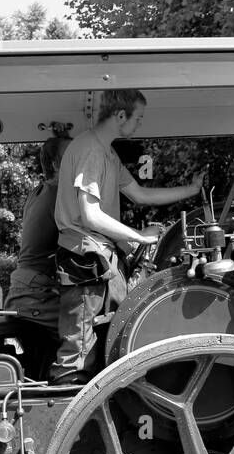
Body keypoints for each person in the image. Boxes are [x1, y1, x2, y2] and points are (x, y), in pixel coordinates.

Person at [51, 88, 203, 385]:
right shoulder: (91, 150)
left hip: (99, 257)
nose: (139, 124)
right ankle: (67, 407)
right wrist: (140, 237)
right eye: (138, 117)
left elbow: (140, 194)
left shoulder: (106, 152)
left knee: (107, 338)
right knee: (77, 356)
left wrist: (191, 190)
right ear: (120, 116)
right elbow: (90, 216)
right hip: (86, 260)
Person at [3, 133, 68, 379]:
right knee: (93, 331)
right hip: (36, 296)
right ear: (55, 164)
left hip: (24, 291)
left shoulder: (39, 191)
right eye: (72, 157)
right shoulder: (59, 195)